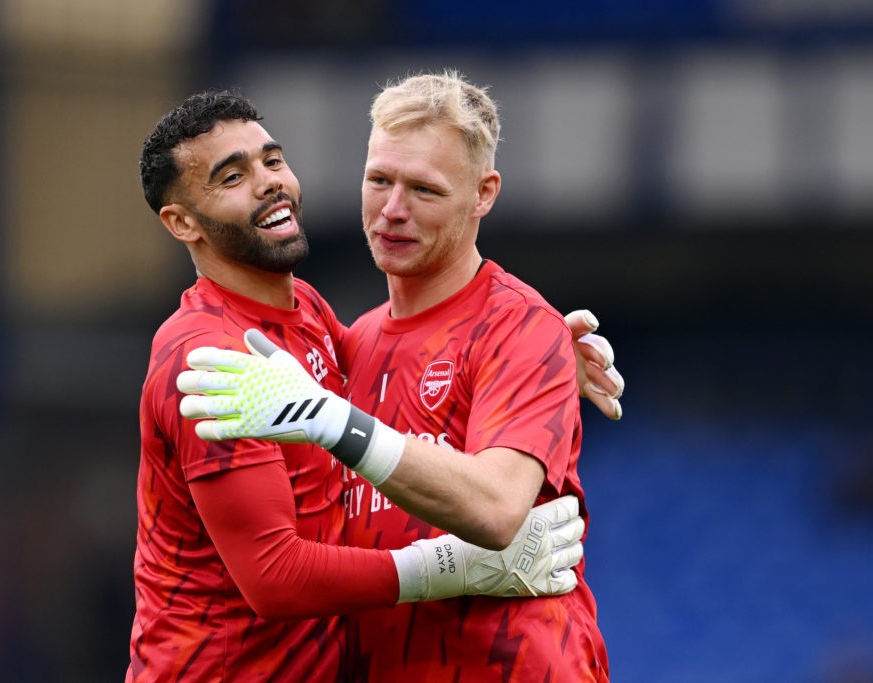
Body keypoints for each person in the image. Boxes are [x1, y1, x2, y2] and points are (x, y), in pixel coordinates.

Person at [179, 71, 611, 681]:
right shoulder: (352, 345)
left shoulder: (519, 328)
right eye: (379, 180)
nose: (393, 210)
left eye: (425, 191)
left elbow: (496, 508)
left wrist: (334, 422)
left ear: (483, 193)